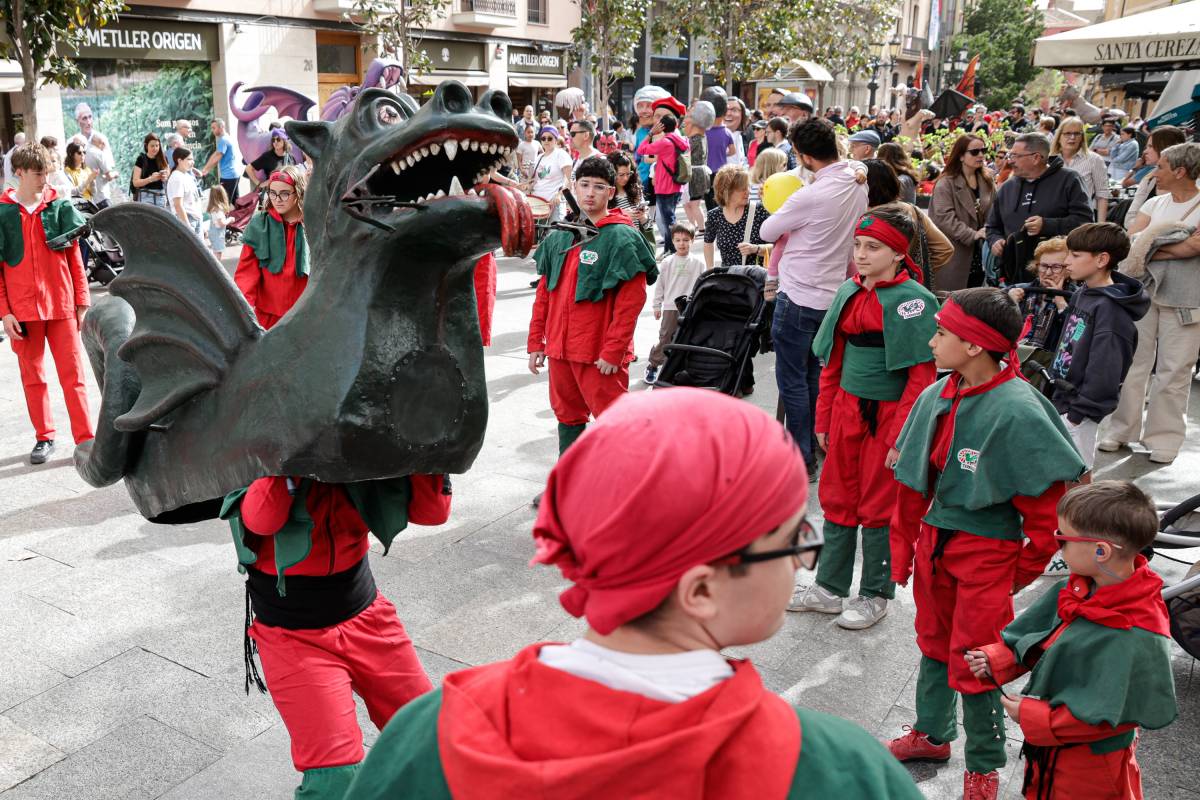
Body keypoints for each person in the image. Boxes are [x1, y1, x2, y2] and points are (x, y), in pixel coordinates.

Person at [344, 388, 925, 800]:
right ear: (700, 591)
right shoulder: (840, 773)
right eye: (792, 539)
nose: (803, 557)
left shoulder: (431, 732)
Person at [221, 343, 451, 800]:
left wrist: (429, 443)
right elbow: (261, 520)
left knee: (435, 738)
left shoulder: (364, 446)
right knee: (335, 779)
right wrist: (292, 455)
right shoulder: (256, 441)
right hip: (293, 637)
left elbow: (433, 512)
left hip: (366, 618)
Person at [884, 287, 1086, 800]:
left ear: (974, 346)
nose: (930, 341)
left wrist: (1017, 572)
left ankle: (985, 765)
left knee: (978, 658)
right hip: (936, 542)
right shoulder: (938, 393)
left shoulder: (1018, 408)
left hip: (987, 552)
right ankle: (932, 735)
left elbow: (1046, 515)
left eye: (941, 333)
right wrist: (904, 549)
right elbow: (911, 484)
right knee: (931, 642)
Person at [965, 481, 1177, 800]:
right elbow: (1047, 635)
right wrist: (997, 658)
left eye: (1062, 538)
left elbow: (1108, 718)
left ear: (1101, 551)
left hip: (1090, 765)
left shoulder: (1139, 633)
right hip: (1056, 751)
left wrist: (1030, 715)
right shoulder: (1087, 584)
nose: (1057, 547)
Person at [790, 206, 937, 629]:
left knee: (878, 505)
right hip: (845, 410)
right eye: (858, 245)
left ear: (897, 253)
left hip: (888, 416)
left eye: (873, 247)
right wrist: (823, 419)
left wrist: (900, 438)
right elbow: (832, 362)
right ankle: (830, 588)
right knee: (836, 496)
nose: (862, 254)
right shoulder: (848, 291)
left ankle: (876, 592)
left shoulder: (914, 301)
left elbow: (920, 377)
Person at [527, 155, 657, 457]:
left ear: (611, 192)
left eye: (599, 187)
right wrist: (536, 341)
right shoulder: (560, 235)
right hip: (560, 350)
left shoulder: (623, 238)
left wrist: (613, 351)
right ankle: (570, 484)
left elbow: (630, 303)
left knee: (614, 421)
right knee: (567, 415)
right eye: (583, 185)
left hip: (598, 354)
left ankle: (625, 489)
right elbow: (544, 294)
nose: (589, 193)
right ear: (574, 185)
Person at [758, 119, 868, 475]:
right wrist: (859, 165)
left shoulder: (809, 195)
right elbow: (858, 166)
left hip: (798, 298)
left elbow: (767, 229)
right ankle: (817, 446)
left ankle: (801, 455)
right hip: (833, 297)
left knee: (793, 379)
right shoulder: (856, 182)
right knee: (815, 377)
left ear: (804, 156)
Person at [1103, 142, 1200, 464]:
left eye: (1160, 167)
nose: (1154, 171)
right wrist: (1166, 243)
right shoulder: (1155, 202)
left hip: (1187, 298)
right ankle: (1121, 429)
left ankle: (1165, 439)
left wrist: (1150, 245)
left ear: (1180, 171)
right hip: (1144, 292)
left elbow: (1192, 249)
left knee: (1175, 370)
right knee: (1132, 362)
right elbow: (1132, 240)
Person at [0, 143, 93, 464]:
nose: (44, 179)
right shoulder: (2, 213)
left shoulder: (59, 206)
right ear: (20, 172)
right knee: (33, 377)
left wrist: (82, 300)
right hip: (22, 310)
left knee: (74, 376)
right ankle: (44, 437)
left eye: (47, 172)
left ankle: (85, 438)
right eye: (38, 173)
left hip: (62, 305)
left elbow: (74, 259)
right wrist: (5, 312)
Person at [1046, 223, 1149, 473]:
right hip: (1063, 400)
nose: (1067, 261)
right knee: (1061, 472)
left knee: (1076, 475)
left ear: (1102, 259)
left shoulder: (1111, 312)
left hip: (1079, 410)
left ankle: (1084, 514)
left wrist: (1079, 414)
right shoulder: (1084, 293)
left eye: (1076, 255)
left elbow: (1106, 369)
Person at [985, 133, 1092, 286]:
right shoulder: (1007, 187)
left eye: (1016, 155)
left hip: (1058, 277)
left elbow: (1085, 223)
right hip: (1013, 275)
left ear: (1036, 158)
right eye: (1010, 154)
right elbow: (992, 226)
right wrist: (995, 240)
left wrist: (1047, 225)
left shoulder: (1069, 180)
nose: (1010, 160)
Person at [235, 166, 309, 329]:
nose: (277, 199)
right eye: (272, 193)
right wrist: (241, 315)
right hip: (268, 318)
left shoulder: (312, 224)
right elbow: (246, 275)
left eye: (284, 193)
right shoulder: (259, 224)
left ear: (299, 191)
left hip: (307, 316)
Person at [864, 160, 953, 288]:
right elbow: (945, 249)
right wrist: (915, 273)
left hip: (874, 288)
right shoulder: (912, 210)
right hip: (909, 289)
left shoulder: (864, 216)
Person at [931, 134, 996, 292]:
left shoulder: (987, 179)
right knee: (952, 303)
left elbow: (995, 211)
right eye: (974, 152)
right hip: (954, 253)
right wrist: (973, 234)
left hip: (982, 252)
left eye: (983, 150)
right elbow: (943, 218)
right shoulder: (946, 183)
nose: (980, 155)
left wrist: (990, 231)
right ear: (961, 156)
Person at [646, 223, 705, 384]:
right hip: (670, 307)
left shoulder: (699, 263)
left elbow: (702, 286)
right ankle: (653, 364)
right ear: (672, 241)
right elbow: (661, 285)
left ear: (692, 241)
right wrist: (657, 305)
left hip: (689, 308)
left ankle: (677, 368)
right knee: (665, 337)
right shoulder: (667, 262)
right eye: (678, 240)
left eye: (686, 240)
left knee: (686, 338)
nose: (682, 243)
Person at [636, 96, 690, 256]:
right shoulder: (681, 139)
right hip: (677, 185)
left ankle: (673, 249)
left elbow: (641, 150)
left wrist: (651, 133)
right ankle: (668, 248)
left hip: (665, 186)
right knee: (668, 218)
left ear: (662, 127)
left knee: (669, 221)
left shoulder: (665, 142)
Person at [1006, 237, 1073, 361]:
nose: (1048, 273)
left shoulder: (1075, 297)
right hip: (1010, 358)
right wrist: (1007, 301)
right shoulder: (1018, 290)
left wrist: (1060, 300)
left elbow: (1074, 335)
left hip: (1045, 365)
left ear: (1068, 269)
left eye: (1056, 267)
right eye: (1043, 266)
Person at [703, 164, 769, 269]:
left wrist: (756, 249)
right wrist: (710, 269)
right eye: (742, 189)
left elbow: (778, 247)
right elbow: (707, 242)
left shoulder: (760, 210)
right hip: (729, 280)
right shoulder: (714, 215)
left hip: (756, 279)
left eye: (748, 186)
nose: (748, 191)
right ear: (727, 191)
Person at [1123, 125, 1187, 226]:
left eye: (1150, 146)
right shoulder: (1149, 178)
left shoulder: (1191, 185)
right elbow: (1129, 221)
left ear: (1167, 148)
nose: (1145, 151)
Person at [1049, 117, 1108, 223]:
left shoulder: (1094, 160)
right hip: (1053, 220)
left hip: (1083, 219)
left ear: (1082, 137)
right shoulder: (1049, 160)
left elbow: (1102, 194)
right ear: (1059, 136)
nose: (1072, 137)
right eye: (1067, 133)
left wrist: (1100, 226)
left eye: (1077, 134)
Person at [606, 151, 654, 248]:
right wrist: (620, 215)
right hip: (617, 245)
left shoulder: (636, 190)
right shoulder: (605, 194)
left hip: (637, 243)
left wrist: (643, 217)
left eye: (628, 174)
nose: (626, 178)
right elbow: (599, 221)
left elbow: (648, 226)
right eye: (621, 175)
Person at [527, 126, 573, 224]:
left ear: (556, 140)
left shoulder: (561, 154)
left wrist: (559, 194)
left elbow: (568, 179)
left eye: (550, 138)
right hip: (538, 204)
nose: (546, 141)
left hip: (554, 202)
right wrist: (528, 185)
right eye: (543, 138)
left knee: (555, 234)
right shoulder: (539, 157)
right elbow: (536, 181)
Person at [682, 102, 712, 233]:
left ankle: (701, 228)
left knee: (694, 204)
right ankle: (694, 227)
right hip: (695, 173)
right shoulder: (700, 137)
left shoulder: (697, 138)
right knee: (689, 204)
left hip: (695, 174)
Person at [200, 119, 241, 202]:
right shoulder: (226, 138)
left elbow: (217, 158)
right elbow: (215, 154)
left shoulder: (223, 140)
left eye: (214, 128)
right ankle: (241, 214)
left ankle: (227, 215)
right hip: (233, 175)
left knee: (224, 202)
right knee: (236, 201)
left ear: (221, 127)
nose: (212, 131)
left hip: (228, 176)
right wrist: (206, 168)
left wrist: (206, 170)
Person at [167, 147, 204, 239]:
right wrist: (188, 227)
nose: (192, 162)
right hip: (187, 220)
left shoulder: (187, 175)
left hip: (196, 218)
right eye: (189, 159)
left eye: (192, 159)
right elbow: (178, 205)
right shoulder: (176, 178)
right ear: (179, 160)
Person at [83, 132, 118, 208]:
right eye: (103, 144)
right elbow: (109, 176)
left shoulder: (84, 153)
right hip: (102, 195)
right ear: (100, 143)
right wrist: (115, 174)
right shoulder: (99, 154)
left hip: (90, 197)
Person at [207, 185, 232, 260]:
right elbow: (222, 223)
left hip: (214, 233)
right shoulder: (218, 210)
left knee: (216, 251)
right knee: (218, 253)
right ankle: (215, 269)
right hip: (217, 234)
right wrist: (230, 219)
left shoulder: (213, 208)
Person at [569, 119, 598, 184]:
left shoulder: (600, 160)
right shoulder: (575, 160)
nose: (570, 137)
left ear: (586, 135)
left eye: (573, 134)